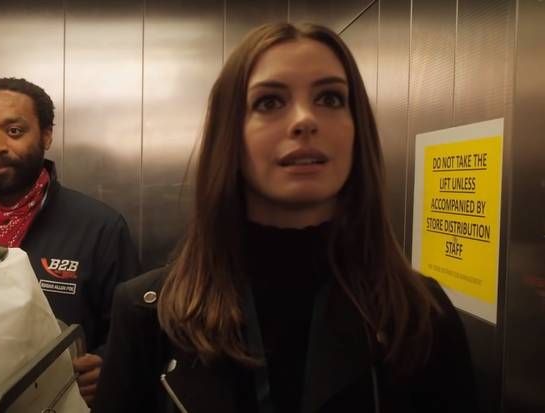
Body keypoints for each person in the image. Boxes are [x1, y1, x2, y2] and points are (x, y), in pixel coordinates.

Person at [93, 23, 476, 413]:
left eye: (330, 98)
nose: (305, 120)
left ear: (356, 129)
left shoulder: (422, 315)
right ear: (231, 135)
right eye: (270, 102)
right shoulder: (149, 314)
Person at [0, 77, 140, 403]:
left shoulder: (99, 228)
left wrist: (108, 365)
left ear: (46, 136)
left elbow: (131, 336)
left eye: (14, 131)